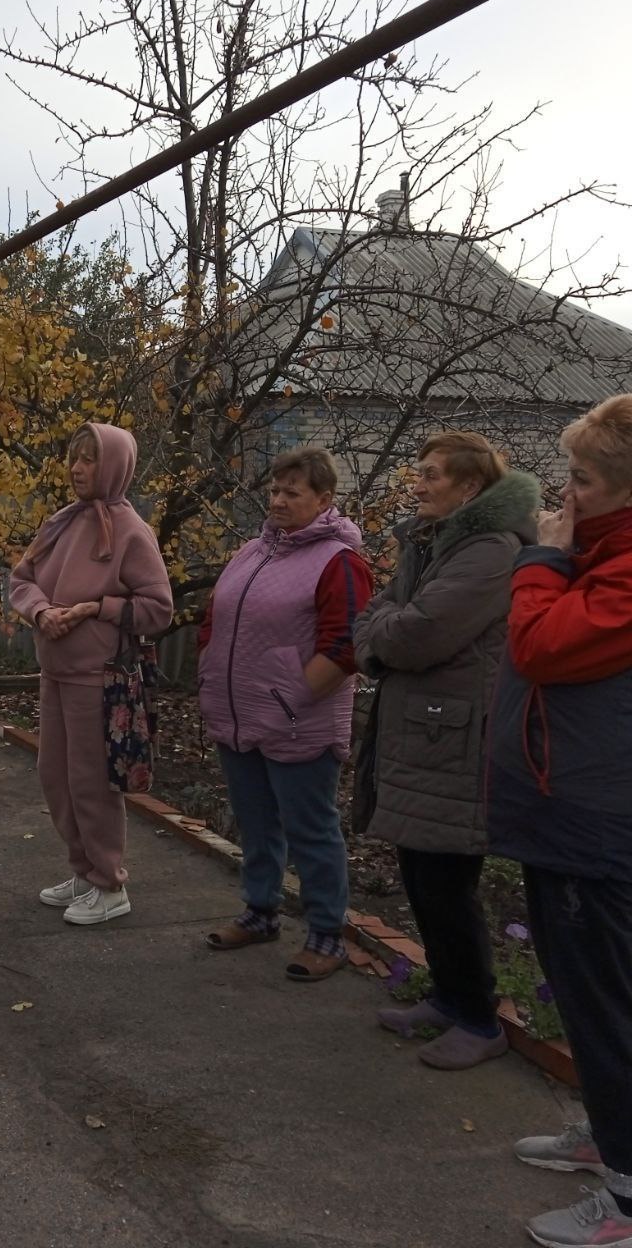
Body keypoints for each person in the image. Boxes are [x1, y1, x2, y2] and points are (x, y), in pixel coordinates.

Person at [486, 393, 632, 1248]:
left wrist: (541, 557)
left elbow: (540, 646)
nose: (565, 496)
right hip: (562, 805)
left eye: (581, 481)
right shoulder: (598, 550)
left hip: (595, 817)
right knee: (582, 992)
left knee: (609, 1001)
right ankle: (606, 1136)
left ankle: (626, 1194)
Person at [353, 433, 537, 1069]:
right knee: (420, 877)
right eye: (420, 472)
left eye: (433, 475)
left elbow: (420, 633)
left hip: (456, 741)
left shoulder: (489, 552)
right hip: (424, 735)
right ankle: (449, 998)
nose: (420, 483)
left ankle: (479, 1019)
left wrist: (384, 637)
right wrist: (385, 632)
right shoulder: (432, 543)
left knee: (447, 883)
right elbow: (377, 614)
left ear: (469, 488)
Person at [197, 448, 372, 980]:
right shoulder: (253, 551)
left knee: (310, 828)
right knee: (255, 822)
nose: (277, 500)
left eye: (292, 492)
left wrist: (288, 698)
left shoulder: (340, 561)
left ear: (324, 501)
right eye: (274, 490)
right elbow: (216, 619)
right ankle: (260, 912)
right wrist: (207, 666)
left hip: (300, 722)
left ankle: (326, 934)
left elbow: (346, 647)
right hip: (237, 715)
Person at [9, 423, 173, 925]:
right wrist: (41, 613)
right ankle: (83, 871)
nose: (77, 469)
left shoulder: (131, 531)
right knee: (54, 777)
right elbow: (21, 579)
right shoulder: (61, 522)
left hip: (98, 677)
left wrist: (95, 608)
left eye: (89, 460)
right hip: (54, 671)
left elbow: (158, 608)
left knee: (91, 783)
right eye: (73, 457)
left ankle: (109, 883)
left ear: (114, 468)